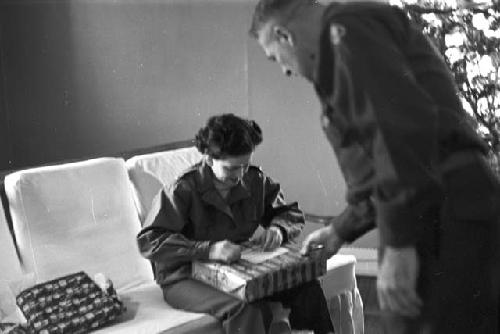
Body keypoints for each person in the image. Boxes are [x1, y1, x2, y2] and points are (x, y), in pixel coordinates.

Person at [249, 1, 500, 333]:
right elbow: (382, 166)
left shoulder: (347, 31)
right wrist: (341, 229)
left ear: (285, 36)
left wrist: (398, 242)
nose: (284, 70)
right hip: (438, 208)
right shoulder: (345, 48)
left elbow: (400, 135)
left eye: (274, 57)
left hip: (445, 212)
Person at [137, 113, 334, 334]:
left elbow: (289, 213)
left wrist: (279, 229)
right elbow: (149, 241)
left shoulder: (254, 179)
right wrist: (208, 250)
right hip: (184, 276)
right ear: (209, 160)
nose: (240, 175)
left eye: (244, 165)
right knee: (245, 309)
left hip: (237, 269)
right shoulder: (181, 190)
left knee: (308, 289)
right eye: (231, 168)